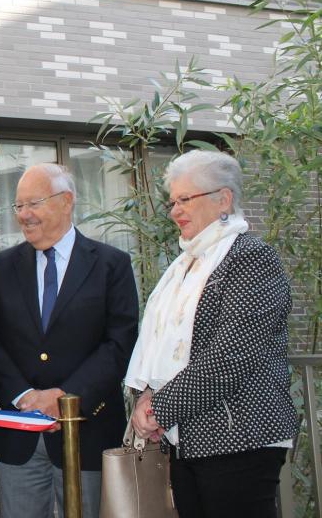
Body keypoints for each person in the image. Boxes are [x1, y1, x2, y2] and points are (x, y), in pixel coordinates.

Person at [126, 150, 298, 518]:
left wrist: (160, 407)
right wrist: (146, 395)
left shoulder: (251, 258)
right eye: (173, 201)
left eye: (185, 199)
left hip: (241, 439)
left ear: (224, 199)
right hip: (188, 439)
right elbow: (160, 349)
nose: (174, 211)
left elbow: (232, 355)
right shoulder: (186, 265)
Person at [0, 163, 139, 518]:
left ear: (66, 201)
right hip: (19, 432)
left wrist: (66, 397)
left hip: (87, 431)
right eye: (18, 206)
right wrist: (24, 396)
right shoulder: (1, 267)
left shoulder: (111, 264)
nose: (24, 215)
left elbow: (120, 342)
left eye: (33, 203)